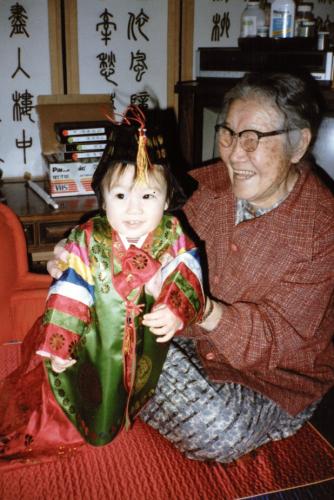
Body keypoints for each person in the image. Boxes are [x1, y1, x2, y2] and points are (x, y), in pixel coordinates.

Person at [48, 72, 334, 464]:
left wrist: (202, 308)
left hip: (272, 378)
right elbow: (143, 229)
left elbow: (277, 342)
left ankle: (109, 381)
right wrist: (79, 253)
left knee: (218, 430)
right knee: (87, 306)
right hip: (191, 339)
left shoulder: (322, 228)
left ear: (298, 143)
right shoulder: (209, 188)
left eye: (255, 138)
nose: (235, 153)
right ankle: (110, 373)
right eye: (229, 133)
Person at [0, 106, 205, 468]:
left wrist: (175, 309)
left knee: (136, 382)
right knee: (94, 387)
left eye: (148, 196)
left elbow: (187, 269)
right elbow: (70, 290)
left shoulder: (172, 233)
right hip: (94, 336)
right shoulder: (89, 238)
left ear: (168, 200)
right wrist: (61, 342)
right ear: (103, 196)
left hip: (143, 337)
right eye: (121, 196)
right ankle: (92, 425)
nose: (134, 210)